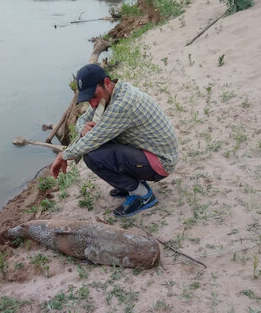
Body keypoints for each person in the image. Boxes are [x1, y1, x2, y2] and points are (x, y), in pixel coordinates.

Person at [51, 64, 178, 217]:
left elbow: (91, 141)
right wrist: (81, 127)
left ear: (106, 82)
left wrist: (63, 155)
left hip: (160, 162)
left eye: (93, 97)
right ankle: (132, 185)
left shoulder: (122, 104)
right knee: (97, 146)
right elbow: (84, 119)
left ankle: (143, 195)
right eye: (88, 99)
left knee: (92, 155)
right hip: (147, 152)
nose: (92, 104)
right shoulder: (109, 94)